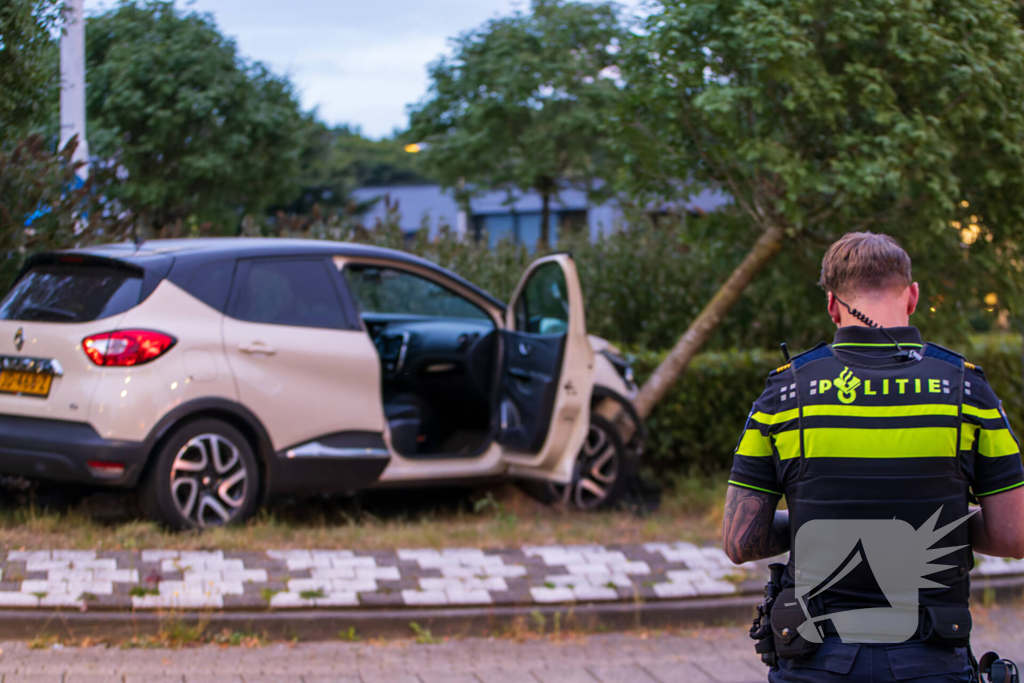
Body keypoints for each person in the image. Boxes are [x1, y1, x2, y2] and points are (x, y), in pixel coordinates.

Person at [723, 231, 1024, 682]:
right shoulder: (967, 390)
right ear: (913, 297)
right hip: (931, 656)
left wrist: (822, 526)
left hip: (816, 658)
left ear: (832, 305)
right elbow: (1014, 535)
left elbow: (740, 540)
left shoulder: (785, 394)